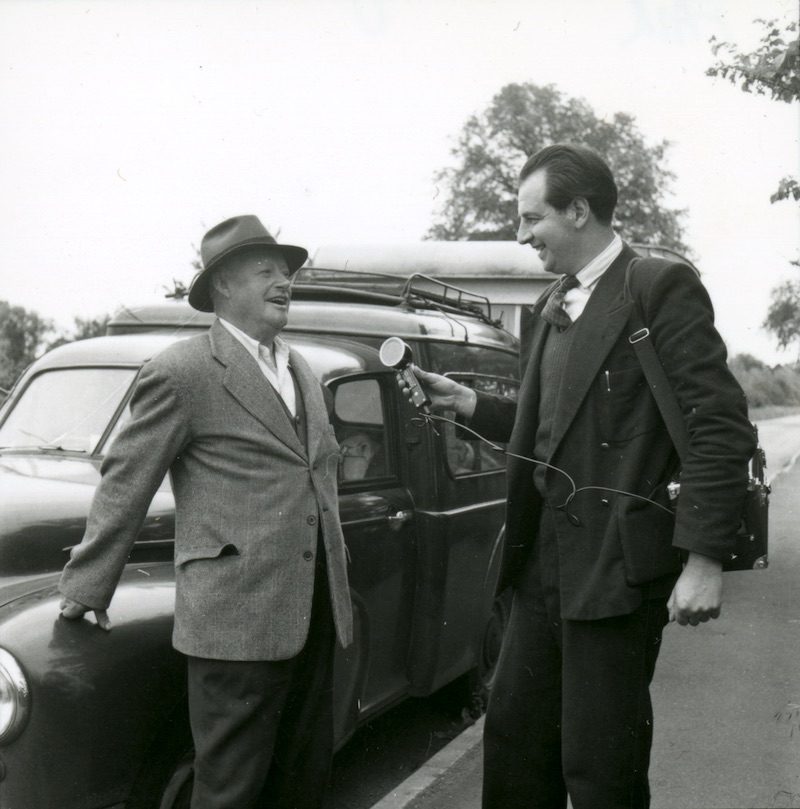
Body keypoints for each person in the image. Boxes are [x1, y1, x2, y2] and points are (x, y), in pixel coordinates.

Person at [406, 144, 755, 809]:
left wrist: (705, 557)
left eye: (532, 217)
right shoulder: (552, 304)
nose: (521, 234)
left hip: (617, 573)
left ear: (579, 209)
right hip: (542, 571)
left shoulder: (654, 286)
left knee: (601, 768)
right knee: (513, 752)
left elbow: (719, 425)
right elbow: (552, 437)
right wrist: (471, 404)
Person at [59, 214, 353, 809]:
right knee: (230, 792)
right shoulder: (183, 371)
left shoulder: (300, 369)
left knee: (301, 782)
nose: (284, 282)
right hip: (235, 621)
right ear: (221, 285)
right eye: (265, 270)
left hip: (314, 610)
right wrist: (88, 586)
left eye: (287, 271)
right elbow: (127, 478)